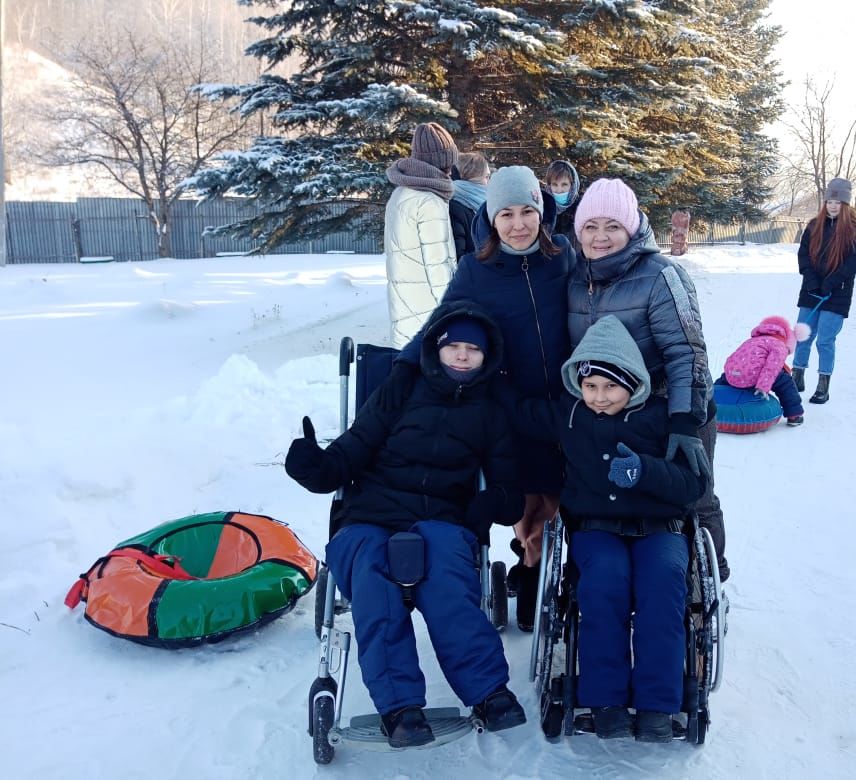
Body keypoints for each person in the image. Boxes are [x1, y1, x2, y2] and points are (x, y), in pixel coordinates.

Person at [284, 302, 527, 747]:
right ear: (436, 348)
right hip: (369, 514)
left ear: (486, 357)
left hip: (443, 516)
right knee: (374, 583)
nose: (461, 355)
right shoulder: (401, 387)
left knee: (449, 584)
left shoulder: (492, 411)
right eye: (454, 345)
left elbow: (511, 491)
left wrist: (491, 502)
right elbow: (351, 450)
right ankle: (399, 708)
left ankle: (489, 693)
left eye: (473, 349)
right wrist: (313, 466)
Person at [496, 315, 705, 742]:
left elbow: (694, 484)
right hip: (596, 528)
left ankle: (657, 705)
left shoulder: (663, 418)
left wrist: (646, 471)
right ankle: (605, 699)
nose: (599, 397)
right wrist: (486, 373)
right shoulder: (568, 414)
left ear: (634, 383)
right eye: (590, 386)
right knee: (602, 585)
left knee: (663, 586)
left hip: (659, 527)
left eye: (611, 386)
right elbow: (518, 410)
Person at [389, 165, 576, 632]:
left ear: (542, 210)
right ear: (492, 218)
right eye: (506, 214)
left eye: (527, 211)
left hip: (570, 400)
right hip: (513, 404)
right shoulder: (477, 269)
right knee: (529, 499)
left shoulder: (564, 257)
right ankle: (530, 563)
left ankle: (550, 570)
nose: (518, 224)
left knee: (566, 496)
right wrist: (403, 368)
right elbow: (441, 321)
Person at [567, 178, 729, 582]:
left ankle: (704, 582)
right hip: (609, 406)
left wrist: (685, 421)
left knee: (694, 496)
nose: (600, 237)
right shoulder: (574, 279)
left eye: (612, 226)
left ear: (632, 228)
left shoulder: (661, 276)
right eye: (590, 226)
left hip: (672, 407)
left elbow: (686, 352)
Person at [792, 177, 856, 404]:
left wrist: (833, 281)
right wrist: (811, 278)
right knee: (802, 336)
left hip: (837, 293)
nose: (833, 206)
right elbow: (803, 254)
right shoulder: (814, 226)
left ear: (845, 204)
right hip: (811, 290)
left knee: (824, 340)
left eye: (838, 202)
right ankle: (797, 377)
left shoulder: (854, 229)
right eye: (829, 201)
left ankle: (823, 385)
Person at [384, 122, 459, 349]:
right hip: (430, 315)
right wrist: (453, 308)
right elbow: (438, 265)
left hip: (405, 308)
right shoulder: (429, 202)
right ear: (441, 161)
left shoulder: (400, 194)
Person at [721, 315, 810, 426]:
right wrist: (763, 386)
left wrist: (731, 374)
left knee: (724, 379)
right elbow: (772, 366)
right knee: (785, 382)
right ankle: (794, 414)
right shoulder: (779, 345)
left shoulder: (752, 341)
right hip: (753, 376)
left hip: (731, 374)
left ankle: (712, 395)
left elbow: (735, 358)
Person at [449, 151, 491, 260]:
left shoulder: (485, 205)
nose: (488, 182)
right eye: (486, 177)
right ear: (475, 178)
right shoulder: (455, 208)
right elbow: (459, 256)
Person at [543, 159, 581, 248]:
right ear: (549, 186)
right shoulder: (543, 211)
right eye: (555, 185)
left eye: (564, 185)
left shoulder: (582, 210)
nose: (559, 190)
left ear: (572, 185)